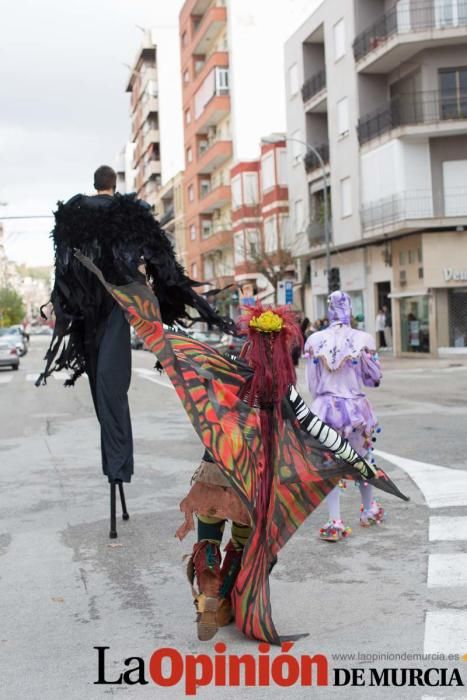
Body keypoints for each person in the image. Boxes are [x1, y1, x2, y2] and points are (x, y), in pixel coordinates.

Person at [76, 255, 408, 643]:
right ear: (283, 350)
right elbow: (320, 432)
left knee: (210, 537)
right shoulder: (283, 391)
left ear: (250, 341)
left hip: (216, 473)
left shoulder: (228, 369)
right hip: (255, 484)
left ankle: (211, 594)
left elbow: (180, 346)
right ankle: (231, 600)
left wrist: (136, 305)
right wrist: (363, 466)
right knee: (243, 545)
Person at [37, 165, 233, 538]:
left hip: (86, 318)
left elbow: (61, 268)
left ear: (94, 185)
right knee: (114, 389)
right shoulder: (128, 213)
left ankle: (116, 466)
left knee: (104, 391)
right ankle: (117, 467)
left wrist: (58, 304)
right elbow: (160, 259)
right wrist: (160, 295)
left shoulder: (73, 214)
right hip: (115, 309)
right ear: (114, 185)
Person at [305, 291, 383, 541]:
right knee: (363, 459)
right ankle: (369, 511)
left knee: (331, 463)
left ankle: (335, 521)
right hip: (355, 410)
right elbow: (373, 379)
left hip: (325, 408)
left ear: (328, 310)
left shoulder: (315, 340)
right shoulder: (363, 339)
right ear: (349, 308)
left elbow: (313, 384)